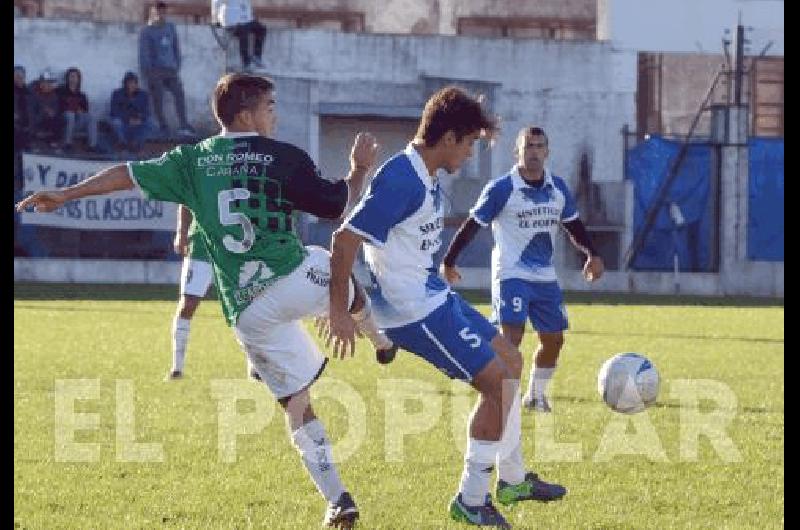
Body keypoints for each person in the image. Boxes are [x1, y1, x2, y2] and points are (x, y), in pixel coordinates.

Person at [18, 72, 394, 529]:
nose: (275, 114)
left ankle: (337, 499)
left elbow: (126, 174)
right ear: (246, 113)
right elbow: (340, 205)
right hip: (293, 277)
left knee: (297, 404)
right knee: (332, 262)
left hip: (249, 312)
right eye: (270, 106)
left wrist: (67, 194)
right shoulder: (283, 156)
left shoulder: (192, 160)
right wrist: (358, 169)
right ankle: (378, 338)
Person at [326, 87, 567, 528]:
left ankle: (511, 479)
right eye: (472, 142)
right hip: (413, 312)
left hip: (435, 295)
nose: (472, 152)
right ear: (451, 136)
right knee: (497, 386)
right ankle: (471, 499)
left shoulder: (424, 174)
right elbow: (343, 241)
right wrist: (340, 311)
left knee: (512, 360)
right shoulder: (402, 178)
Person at [442, 126, 605, 413]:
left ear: (547, 152)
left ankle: (536, 395)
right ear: (517, 151)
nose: (534, 152)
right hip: (511, 274)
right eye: (528, 146)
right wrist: (450, 260)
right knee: (511, 339)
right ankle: (502, 397)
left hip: (545, 278)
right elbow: (472, 226)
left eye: (540, 146)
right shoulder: (502, 188)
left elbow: (574, 226)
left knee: (554, 340)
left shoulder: (558, 188)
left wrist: (591, 254)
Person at [167, 205, 262, 382]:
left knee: (245, 306)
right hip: (201, 246)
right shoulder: (197, 175)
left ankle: (254, 368)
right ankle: (176, 368)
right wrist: (181, 232)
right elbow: (185, 200)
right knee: (188, 305)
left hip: (235, 247)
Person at [139, 1, 195, 137]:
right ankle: (163, 126)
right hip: (155, 70)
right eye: (158, 12)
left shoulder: (170, 28)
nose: (161, 15)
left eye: (163, 12)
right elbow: (144, 53)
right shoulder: (147, 31)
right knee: (158, 98)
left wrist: (177, 64)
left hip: (170, 69)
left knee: (179, 94)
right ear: (153, 13)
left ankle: (184, 124)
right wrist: (148, 71)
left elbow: (176, 47)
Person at [211, 0, 267, 72]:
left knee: (261, 29)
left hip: (246, 20)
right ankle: (246, 63)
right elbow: (216, 2)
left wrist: (249, 17)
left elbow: (246, 5)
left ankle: (257, 56)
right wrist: (215, 20)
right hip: (231, 22)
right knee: (244, 32)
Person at [109, 71, 153, 154]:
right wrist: (127, 119)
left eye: (134, 83)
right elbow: (114, 111)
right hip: (124, 122)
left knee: (150, 123)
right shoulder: (117, 94)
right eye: (129, 83)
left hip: (138, 123)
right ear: (125, 84)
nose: (131, 85)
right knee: (116, 122)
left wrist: (140, 118)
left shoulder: (143, 95)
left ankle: (137, 144)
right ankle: (123, 144)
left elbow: (147, 111)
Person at [58, 67, 99, 152]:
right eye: (71, 76)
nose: (73, 79)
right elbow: (58, 107)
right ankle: (67, 143)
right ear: (67, 78)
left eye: (75, 77)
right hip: (64, 121)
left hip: (77, 121)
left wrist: (80, 111)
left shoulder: (82, 95)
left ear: (78, 79)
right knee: (70, 115)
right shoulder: (60, 91)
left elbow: (85, 110)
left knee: (91, 116)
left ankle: (92, 145)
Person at [29, 68, 62, 150]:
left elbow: (55, 112)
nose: (48, 85)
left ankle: (53, 143)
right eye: (46, 82)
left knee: (57, 120)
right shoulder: (32, 95)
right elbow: (30, 114)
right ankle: (33, 141)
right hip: (34, 122)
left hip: (45, 121)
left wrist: (51, 114)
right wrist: (43, 112)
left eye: (51, 83)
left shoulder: (54, 96)